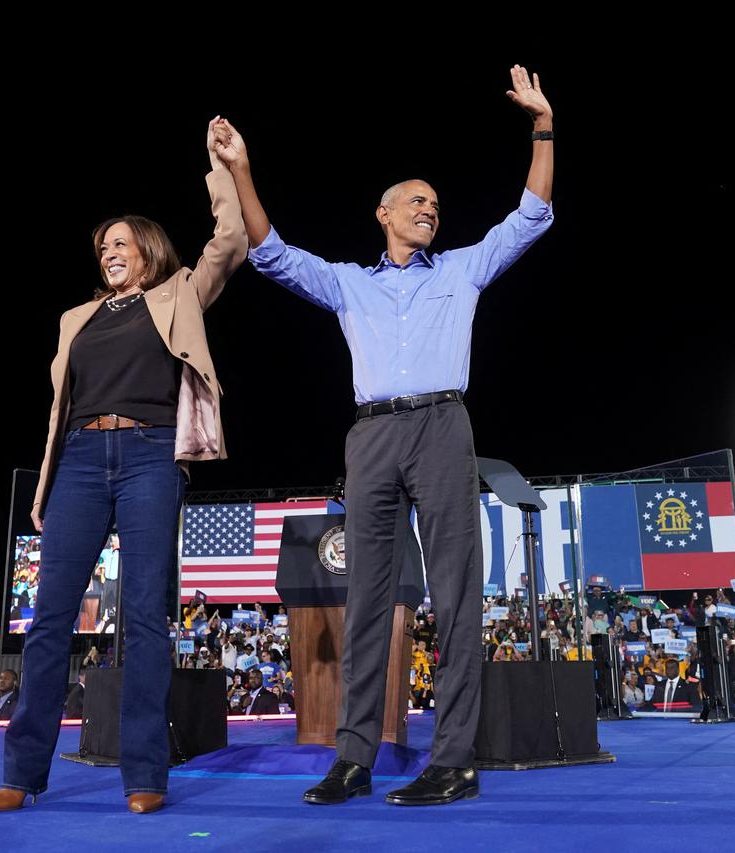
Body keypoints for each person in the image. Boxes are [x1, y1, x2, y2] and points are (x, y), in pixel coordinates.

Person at [223, 65, 555, 808]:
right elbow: (270, 252)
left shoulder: (463, 270)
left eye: (435, 203)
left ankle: (455, 760)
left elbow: (531, 214)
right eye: (415, 200)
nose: (429, 209)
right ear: (383, 214)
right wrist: (243, 168)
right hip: (370, 436)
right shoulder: (351, 282)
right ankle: (353, 759)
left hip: (442, 424)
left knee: (456, 593)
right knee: (367, 599)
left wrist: (542, 125)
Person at [0, 119, 247, 816]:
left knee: (145, 619)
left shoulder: (179, 295)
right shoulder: (76, 318)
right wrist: (44, 488)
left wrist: (223, 166)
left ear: (149, 252)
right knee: (48, 620)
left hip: (150, 458)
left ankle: (144, 776)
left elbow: (231, 241)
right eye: (103, 247)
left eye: (121, 244)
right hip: (77, 463)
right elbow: (56, 414)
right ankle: (22, 771)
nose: (110, 253)